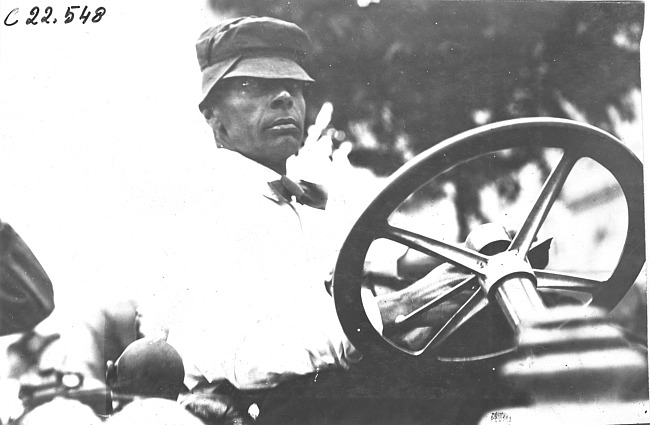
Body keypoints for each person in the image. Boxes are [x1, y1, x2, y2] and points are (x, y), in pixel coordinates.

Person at [154, 16, 518, 424]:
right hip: (275, 410)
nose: (284, 99)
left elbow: (366, 255)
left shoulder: (308, 197)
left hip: (344, 390)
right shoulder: (203, 217)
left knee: (506, 344)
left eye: (294, 86)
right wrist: (403, 306)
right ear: (213, 117)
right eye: (252, 86)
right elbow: (246, 356)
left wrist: (465, 256)